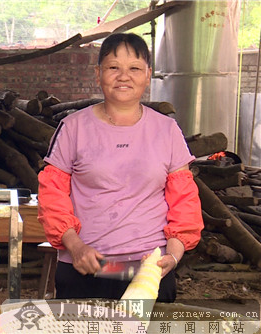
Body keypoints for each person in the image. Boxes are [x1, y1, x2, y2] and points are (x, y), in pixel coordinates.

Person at [37, 33, 204, 302]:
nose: (123, 76)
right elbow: (52, 195)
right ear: (98, 73)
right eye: (113, 67)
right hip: (84, 267)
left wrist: (173, 255)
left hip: (150, 271)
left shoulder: (167, 130)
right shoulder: (73, 128)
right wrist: (76, 247)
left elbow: (184, 200)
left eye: (134, 69)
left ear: (148, 74)